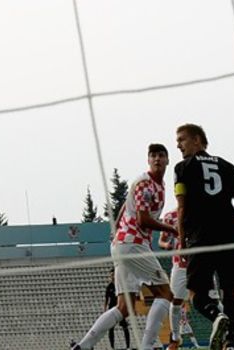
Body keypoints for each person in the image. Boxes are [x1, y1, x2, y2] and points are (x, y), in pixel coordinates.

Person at [72, 144, 177, 350]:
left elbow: (124, 206)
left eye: (161, 155)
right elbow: (143, 219)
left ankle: (83, 346)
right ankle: (147, 346)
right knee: (165, 293)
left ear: (167, 160)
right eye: (153, 155)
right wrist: (172, 229)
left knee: (124, 307)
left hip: (122, 244)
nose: (157, 159)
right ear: (148, 160)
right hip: (133, 244)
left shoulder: (159, 184)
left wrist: (115, 232)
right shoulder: (145, 185)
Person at [174, 123, 234, 350]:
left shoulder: (182, 168)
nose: (178, 145)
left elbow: (181, 207)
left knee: (196, 293)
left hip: (201, 238)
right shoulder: (229, 167)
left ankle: (216, 317)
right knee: (230, 292)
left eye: (182, 139)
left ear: (198, 140)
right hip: (230, 236)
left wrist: (182, 241)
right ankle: (230, 344)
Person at [160, 208, 201, 350]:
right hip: (180, 264)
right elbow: (162, 241)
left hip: (199, 261)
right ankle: (175, 339)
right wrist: (167, 245)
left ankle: (224, 336)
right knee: (175, 301)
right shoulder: (170, 216)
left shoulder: (199, 212)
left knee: (208, 298)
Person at [103, 271, 130, 350]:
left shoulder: (120, 285)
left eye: (113, 275)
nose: (112, 277)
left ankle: (128, 346)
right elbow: (106, 299)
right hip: (111, 308)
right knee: (111, 328)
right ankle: (112, 346)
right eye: (111, 275)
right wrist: (104, 310)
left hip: (120, 307)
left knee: (125, 327)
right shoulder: (109, 287)